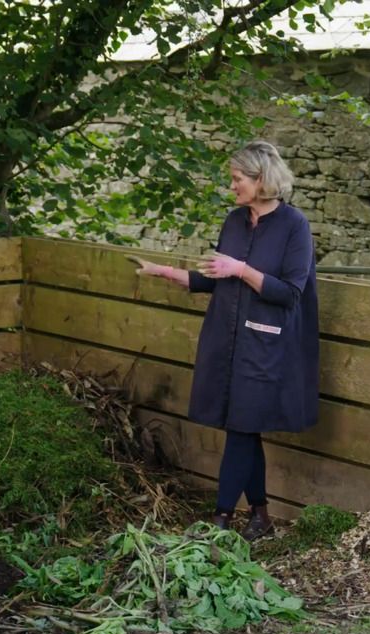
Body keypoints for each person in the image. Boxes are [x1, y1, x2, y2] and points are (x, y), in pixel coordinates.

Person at [130, 140, 319, 540]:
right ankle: (261, 517)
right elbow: (214, 278)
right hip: (226, 338)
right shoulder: (234, 221)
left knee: (241, 426)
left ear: (261, 179)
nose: (232, 186)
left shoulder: (294, 226)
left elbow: (290, 293)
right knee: (243, 427)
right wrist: (162, 271)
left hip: (266, 345)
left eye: (237, 179)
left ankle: (220, 520)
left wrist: (241, 268)